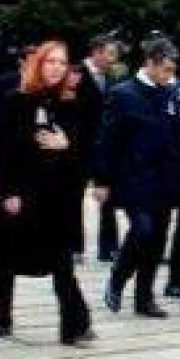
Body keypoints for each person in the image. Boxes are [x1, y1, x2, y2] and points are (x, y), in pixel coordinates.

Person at [0, 41, 94, 345]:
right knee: (5, 258)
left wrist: (66, 145)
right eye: (50, 61)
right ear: (38, 64)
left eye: (62, 62)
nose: (56, 68)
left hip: (58, 196)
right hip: (22, 192)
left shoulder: (71, 104)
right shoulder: (16, 101)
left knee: (62, 262)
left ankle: (75, 323)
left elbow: (85, 153)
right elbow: (1, 152)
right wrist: (6, 192)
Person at [94, 38, 180, 319]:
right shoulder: (123, 93)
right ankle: (118, 276)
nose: (169, 75)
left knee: (157, 239)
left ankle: (144, 298)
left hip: (166, 177)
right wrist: (101, 180)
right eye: (165, 69)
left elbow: (179, 133)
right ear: (149, 63)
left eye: (172, 70)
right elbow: (108, 139)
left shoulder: (173, 93)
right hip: (133, 177)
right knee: (143, 230)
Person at [75, 35, 123, 265]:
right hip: (79, 146)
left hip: (104, 146)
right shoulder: (76, 73)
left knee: (108, 196)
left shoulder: (112, 78)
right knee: (74, 196)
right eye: (110, 54)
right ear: (96, 52)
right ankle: (74, 246)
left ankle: (109, 247)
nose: (113, 59)